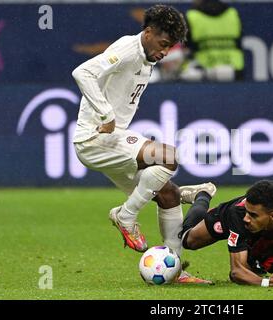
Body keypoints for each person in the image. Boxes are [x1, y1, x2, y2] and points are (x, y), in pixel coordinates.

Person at [71, 5, 211, 283]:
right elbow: (82, 72)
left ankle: (175, 269)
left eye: (170, 47)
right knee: (169, 157)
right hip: (95, 138)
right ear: (148, 33)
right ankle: (126, 215)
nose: (165, 52)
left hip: (112, 140)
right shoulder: (127, 48)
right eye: (163, 44)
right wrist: (106, 114)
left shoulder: (147, 60)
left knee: (167, 194)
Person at [182, 0, 244, 81]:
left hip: (203, 75)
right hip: (235, 72)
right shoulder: (233, 13)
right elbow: (239, 41)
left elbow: (185, 49)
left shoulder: (190, 16)